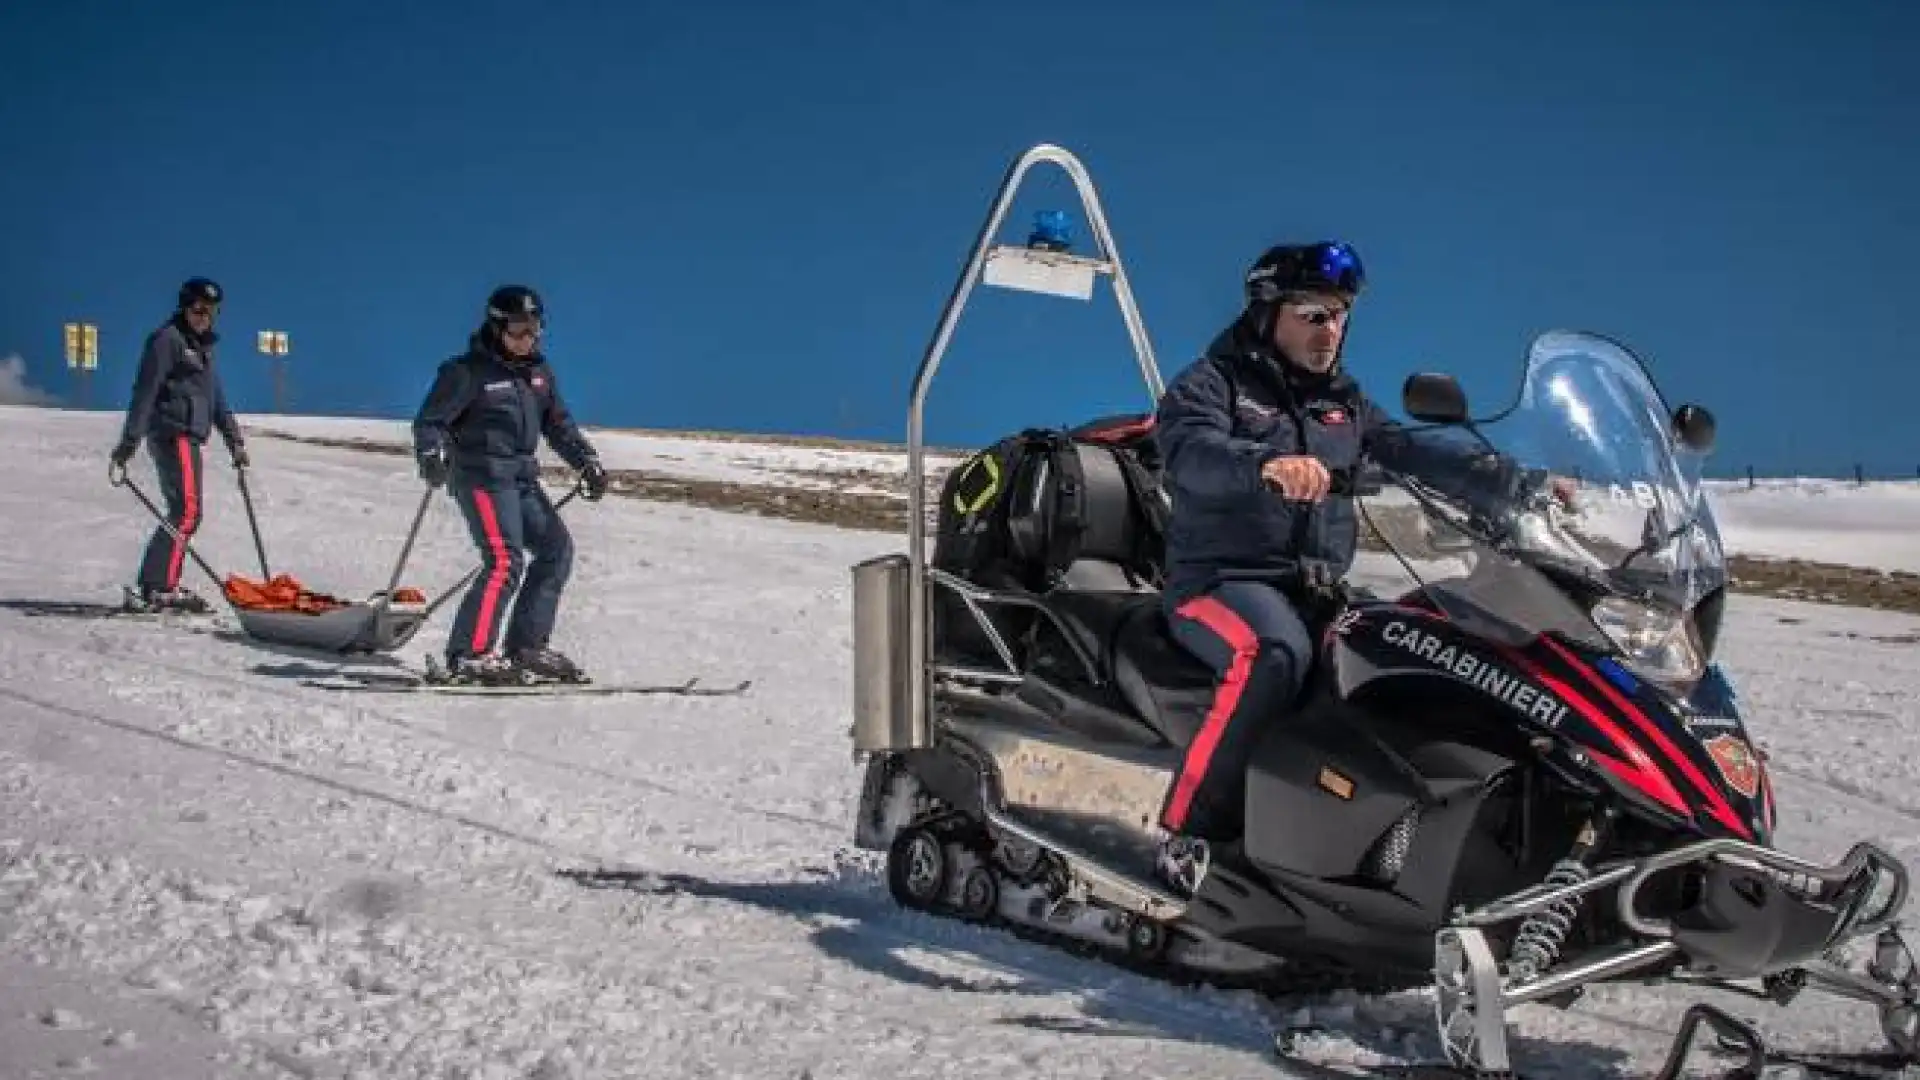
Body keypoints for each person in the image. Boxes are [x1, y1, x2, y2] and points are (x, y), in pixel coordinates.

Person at [1149, 240, 1572, 896]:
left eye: (1340, 315)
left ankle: (1357, 853)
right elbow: (1190, 451)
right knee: (1274, 653)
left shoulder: (1342, 406)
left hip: (1312, 586)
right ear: (1268, 314)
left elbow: (1411, 452)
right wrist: (1262, 465)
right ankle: (1190, 834)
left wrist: (1513, 483)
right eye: (1314, 314)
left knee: (1406, 647)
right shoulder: (1212, 384)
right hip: (1219, 583)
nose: (1331, 330)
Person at [411, 285, 610, 686]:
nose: (527, 338)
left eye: (534, 329)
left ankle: (528, 647)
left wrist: (585, 460)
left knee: (556, 550)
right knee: (504, 560)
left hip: (521, 478)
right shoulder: (467, 372)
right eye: (518, 329)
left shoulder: (539, 375)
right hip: (481, 476)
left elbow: (558, 424)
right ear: (496, 325)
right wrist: (431, 455)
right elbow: (430, 422)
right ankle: (469, 655)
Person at [111, 277, 249, 614]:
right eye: (199, 309)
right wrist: (129, 443)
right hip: (172, 433)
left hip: (189, 437)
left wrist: (236, 443)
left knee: (185, 511)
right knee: (186, 511)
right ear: (185, 306)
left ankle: (160, 582)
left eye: (211, 311)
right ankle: (159, 587)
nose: (204, 317)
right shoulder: (166, 341)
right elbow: (145, 392)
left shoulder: (203, 350)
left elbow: (217, 402)